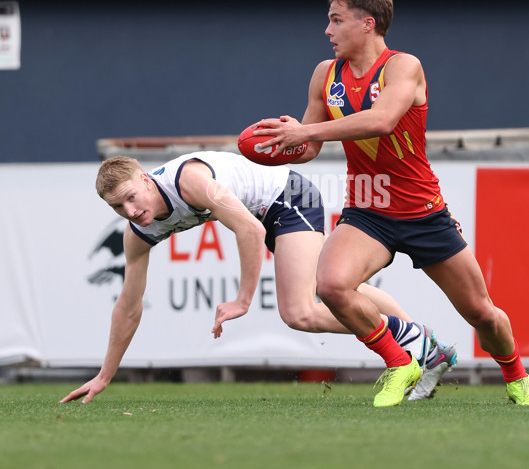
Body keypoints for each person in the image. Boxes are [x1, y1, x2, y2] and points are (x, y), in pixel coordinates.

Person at [253, 0, 529, 407]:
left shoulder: (403, 66)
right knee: (332, 286)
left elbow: (383, 120)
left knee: (481, 312)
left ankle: (517, 376)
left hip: (422, 211)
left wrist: (306, 131)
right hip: (367, 211)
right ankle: (399, 362)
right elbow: (311, 146)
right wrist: (281, 146)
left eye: (336, 20)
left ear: (367, 24)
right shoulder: (325, 74)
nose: (327, 30)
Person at [60, 151, 455, 404]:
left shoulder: (189, 182)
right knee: (341, 292)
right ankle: (422, 348)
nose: (130, 210)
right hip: (266, 213)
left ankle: (417, 346)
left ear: (146, 179)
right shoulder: (139, 233)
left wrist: (242, 300)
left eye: (132, 196)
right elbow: (128, 307)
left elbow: (248, 230)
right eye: (118, 206)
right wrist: (104, 376)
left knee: (299, 312)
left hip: (289, 197)